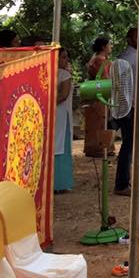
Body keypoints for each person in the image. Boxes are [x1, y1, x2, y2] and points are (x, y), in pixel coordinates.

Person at [109, 57, 135, 195]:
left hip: (122, 108)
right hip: (125, 109)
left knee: (127, 145)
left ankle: (123, 182)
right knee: (128, 145)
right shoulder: (125, 65)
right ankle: (122, 184)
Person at [53, 48, 74, 193]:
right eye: (63, 57)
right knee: (61, 147)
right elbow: (64, 95)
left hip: (52, 113)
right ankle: (60, 183)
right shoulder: (64, 74)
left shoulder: (48, 72)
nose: (66, 60)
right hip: (61, 113)